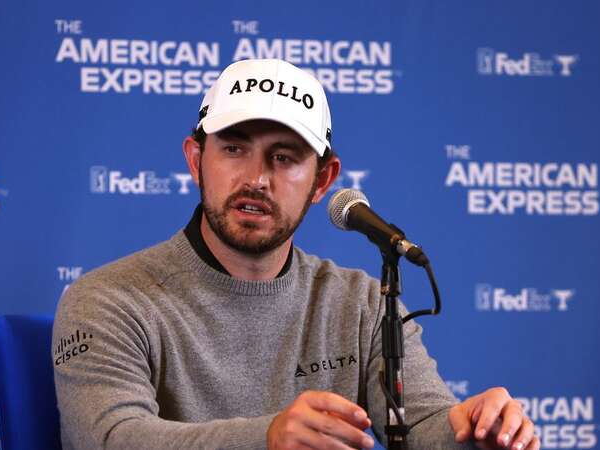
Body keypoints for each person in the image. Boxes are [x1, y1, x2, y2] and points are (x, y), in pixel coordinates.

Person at [53, 58, 540, 450]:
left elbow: (418, 426)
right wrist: (266, 438)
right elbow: (112, 438)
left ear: (322, 181)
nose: (257, 178)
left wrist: (473, 430)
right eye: (234, 149)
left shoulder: (365, 304)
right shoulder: (108, 299)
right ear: (196, 159)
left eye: (283, 157)